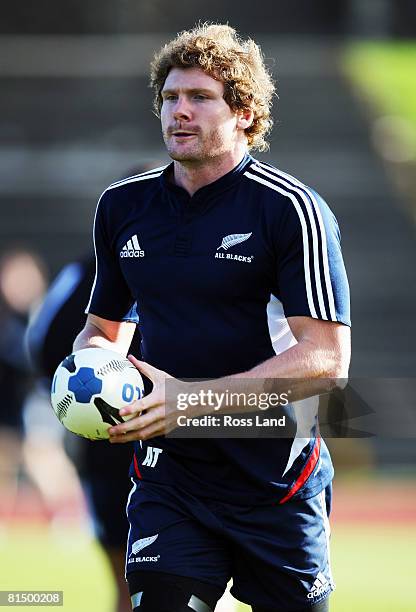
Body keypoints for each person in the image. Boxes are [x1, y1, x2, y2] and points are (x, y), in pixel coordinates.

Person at [74, 23, 351, 612]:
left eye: (200, 98)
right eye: (171, 98)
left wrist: (192, 401)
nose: (180, 112)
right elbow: (102, 330)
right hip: (171, 476)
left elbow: (327, 360)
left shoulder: (291, 210)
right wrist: (91, 370)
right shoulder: (123, 206)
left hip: (275, 479)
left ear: (244, 114)